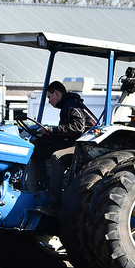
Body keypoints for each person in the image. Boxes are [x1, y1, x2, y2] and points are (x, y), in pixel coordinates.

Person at [28, 81, 95, 216]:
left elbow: (77, 128)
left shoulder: (72, 105)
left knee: (57, 157)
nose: (49, 101)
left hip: (85, 146)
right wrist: (43, 139)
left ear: (56, 93)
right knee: (37, 152)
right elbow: (62, 133)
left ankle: (55, 202)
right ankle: (40, 189)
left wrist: (52, 129)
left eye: (48, 97)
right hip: (74, 142)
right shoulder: (66, 106)